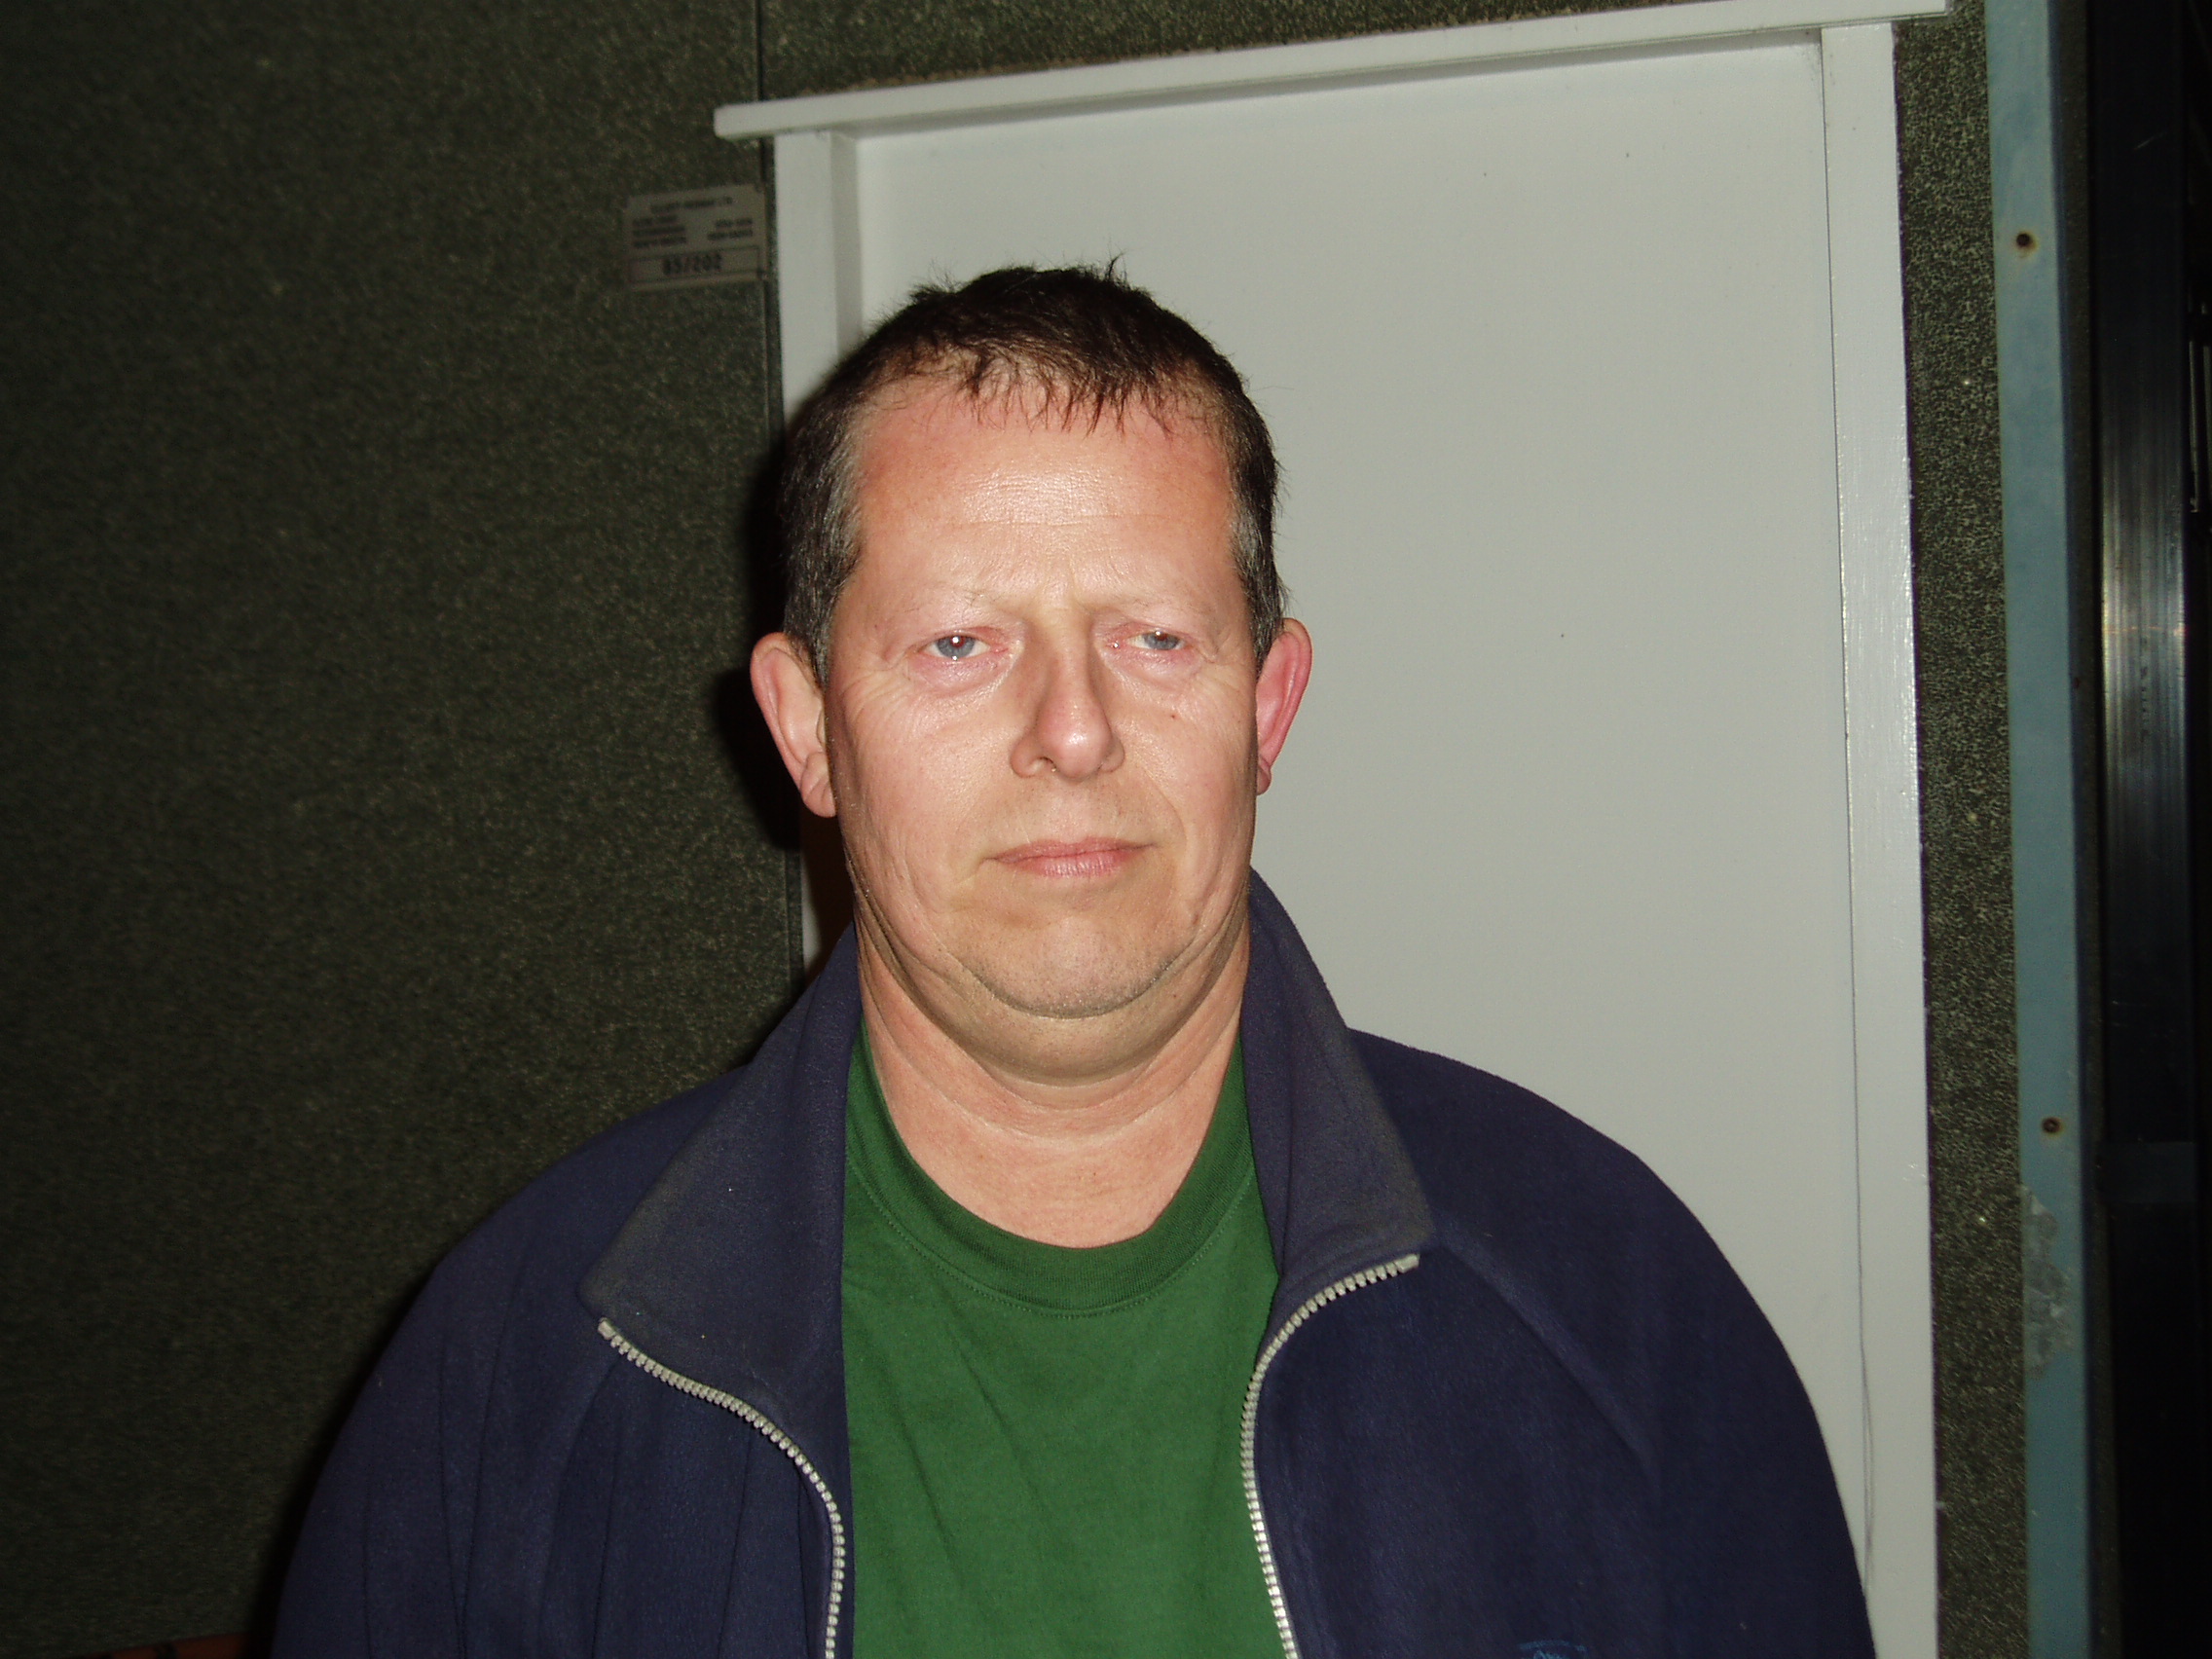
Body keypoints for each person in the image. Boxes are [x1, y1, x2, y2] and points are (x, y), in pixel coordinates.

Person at [274, 267, 1873, 1659]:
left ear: (1268, 709)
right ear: (807, 728)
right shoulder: (522, 1368)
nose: (1073, 731)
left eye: (1154, 638)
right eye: (960, 644)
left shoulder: (1615, 1297)